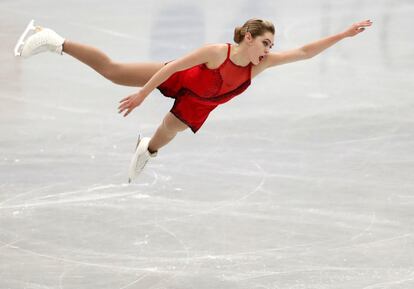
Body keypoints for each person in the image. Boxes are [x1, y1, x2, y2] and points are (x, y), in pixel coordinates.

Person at [15, 18, 373, 182]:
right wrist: (142, 93)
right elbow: (173, 67)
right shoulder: (215, 52)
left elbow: (306, 52)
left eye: (271, 46)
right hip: (177, 78)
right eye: (265, 43)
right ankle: (54, 40)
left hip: (200, 103)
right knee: (112, 70)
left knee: (164, 136)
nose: (269, 51)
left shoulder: (259, 66)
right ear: (248, 37)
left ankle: (145, 149)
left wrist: (343, 33)